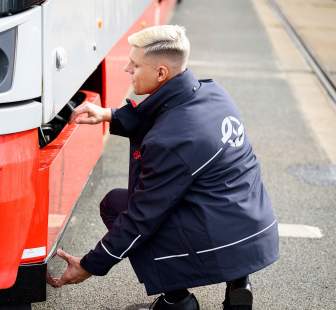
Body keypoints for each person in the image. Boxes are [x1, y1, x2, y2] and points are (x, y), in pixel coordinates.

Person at [47, 25, 279, 310]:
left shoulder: (169, 140)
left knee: (117, 206)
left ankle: (177, 301)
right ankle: (238, 280)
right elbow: (163, 113)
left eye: (135, 64)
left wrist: (90, 265)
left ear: (160, 73)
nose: (126, 68)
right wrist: (108, 115)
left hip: (222, 236)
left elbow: (141, 217)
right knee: (206, 190)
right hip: (251, 223)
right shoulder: (213, 93)